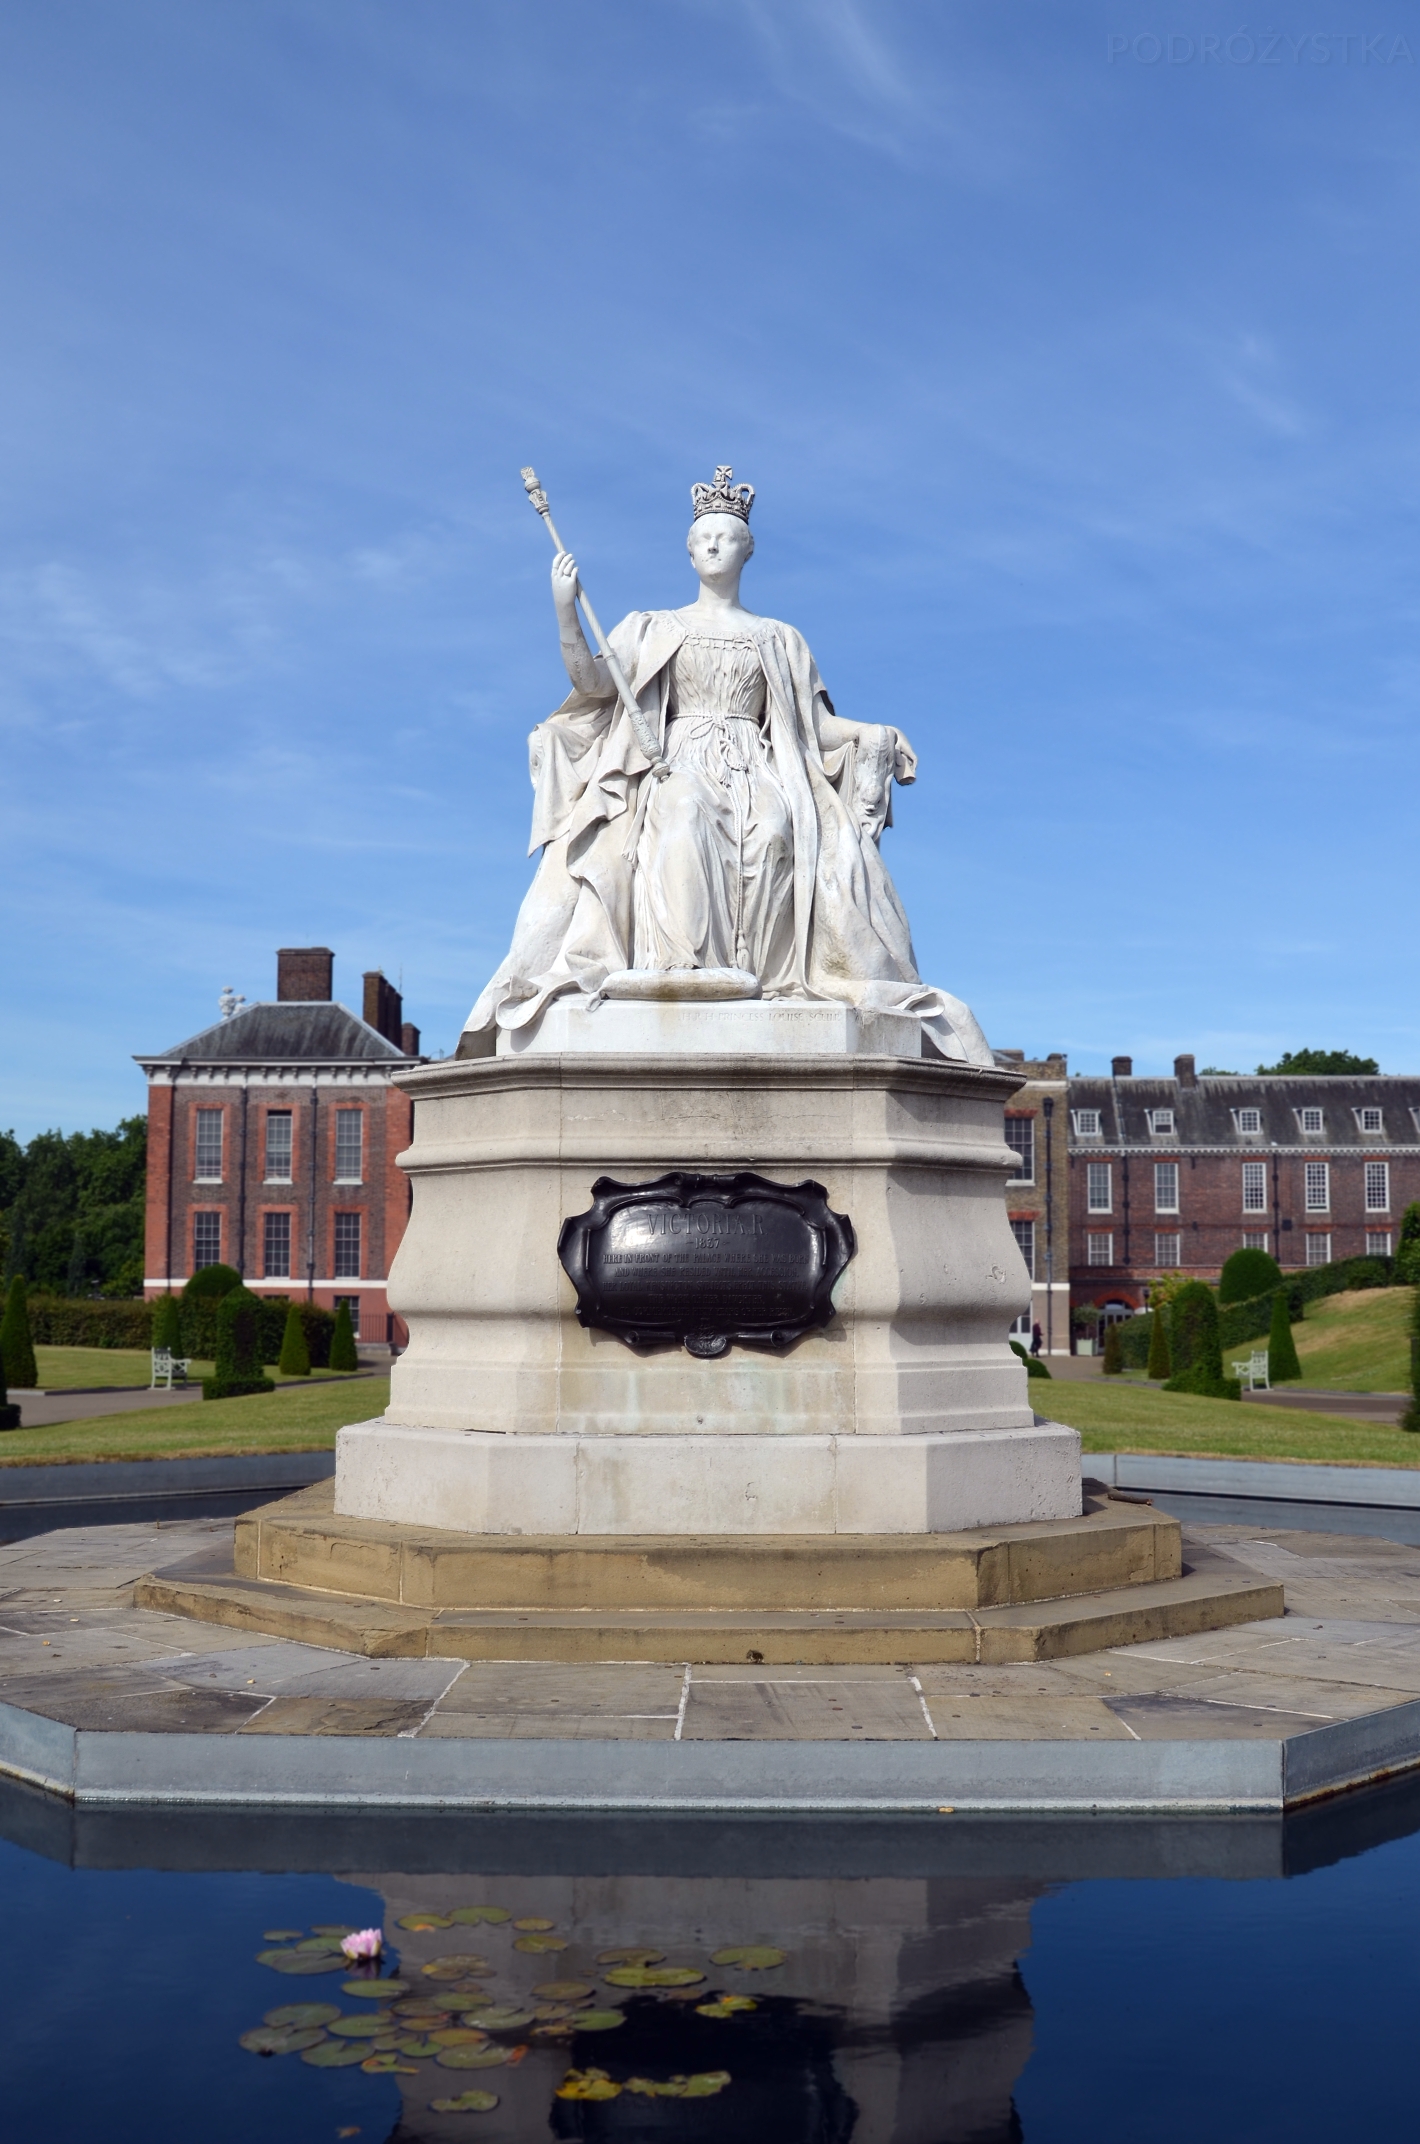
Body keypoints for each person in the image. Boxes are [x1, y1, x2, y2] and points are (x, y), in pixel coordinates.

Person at [460, 468, 991, 1062]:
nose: (714, 546)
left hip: (757, 766)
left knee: (776, 829)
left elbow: (815, 727)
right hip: (676, 760)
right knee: (684, 810)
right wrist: (566, 612)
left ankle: (753, 973)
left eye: (726, 537)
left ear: (748, 549)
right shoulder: (653, 627)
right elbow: (593, 685)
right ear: (689, 552)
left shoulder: (780, 638)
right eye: (704, 538)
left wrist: (872, 732)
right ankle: (683, 968)